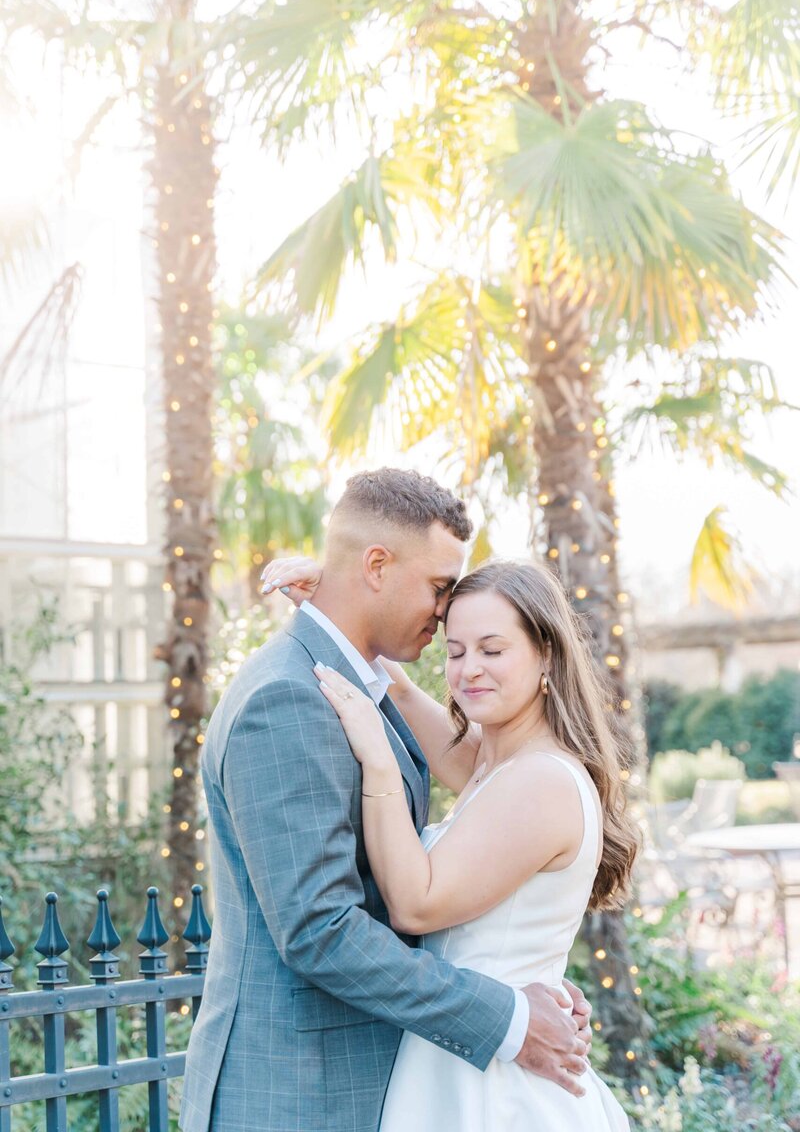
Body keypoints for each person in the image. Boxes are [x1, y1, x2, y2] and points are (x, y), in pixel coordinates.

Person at [180, 469, 593, 1132]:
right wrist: (509, 1015)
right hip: (299, 1097)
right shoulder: (287, 699)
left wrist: (523, 973)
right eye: (439, 587)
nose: (445, 609)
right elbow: (320, 932)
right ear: (376, 565)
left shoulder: (358, 687)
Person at [269, 554, 638, 1130]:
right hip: (463, 1055)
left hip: (497, 1087)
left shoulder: (539, 781)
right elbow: (405, 698)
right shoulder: (496, 763)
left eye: (493, 650)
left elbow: (415, 906)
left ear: (545, 653)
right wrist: (337, 599)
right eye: (456, 651)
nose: (470, 671)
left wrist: (378, 762)